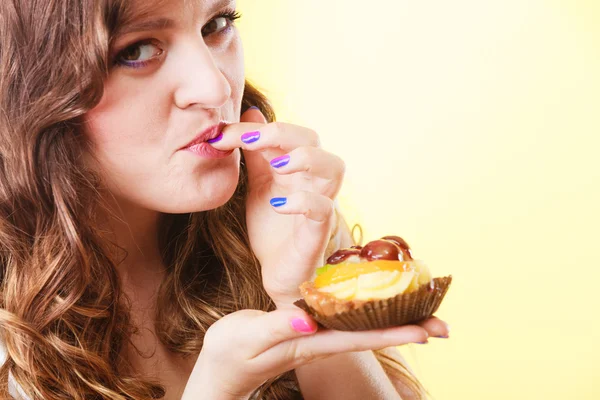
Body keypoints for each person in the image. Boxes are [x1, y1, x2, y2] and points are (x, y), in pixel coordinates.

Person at [0, 0, 450, 398]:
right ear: (22, 89)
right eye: (136, 50)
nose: (216, 88)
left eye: (217, 23)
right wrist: (219, 390)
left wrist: (305, 297)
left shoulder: (280, 220)